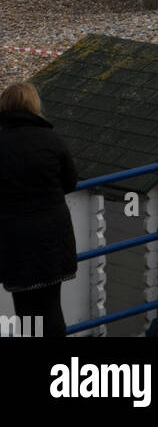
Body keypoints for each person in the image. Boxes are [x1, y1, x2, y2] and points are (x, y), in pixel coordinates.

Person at [0, 81, 79, 337]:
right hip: (53, 235)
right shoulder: (52, 138)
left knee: (26, 310)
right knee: (51, 305)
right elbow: (70, 182)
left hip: (15, 237)